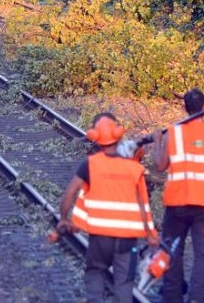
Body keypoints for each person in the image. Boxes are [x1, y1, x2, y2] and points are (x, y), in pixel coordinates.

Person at [58, 113, 159, 303]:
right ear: (119, 136)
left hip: (100, 238)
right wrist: (150, 234)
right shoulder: (134, 169)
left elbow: (70, 193)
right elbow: (142, 205)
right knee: (124, 282)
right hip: (127, 240)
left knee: (95, 272)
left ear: (95, 138)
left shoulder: (89, 164)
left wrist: (63, 217)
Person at [152, 88, 204, 303]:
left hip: (177, 206)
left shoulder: (174, 133)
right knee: (203, 254)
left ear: (185, 108)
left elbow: (160, 165)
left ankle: (172, 297)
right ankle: (197, 298)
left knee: (172, 250)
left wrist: (157, 142)